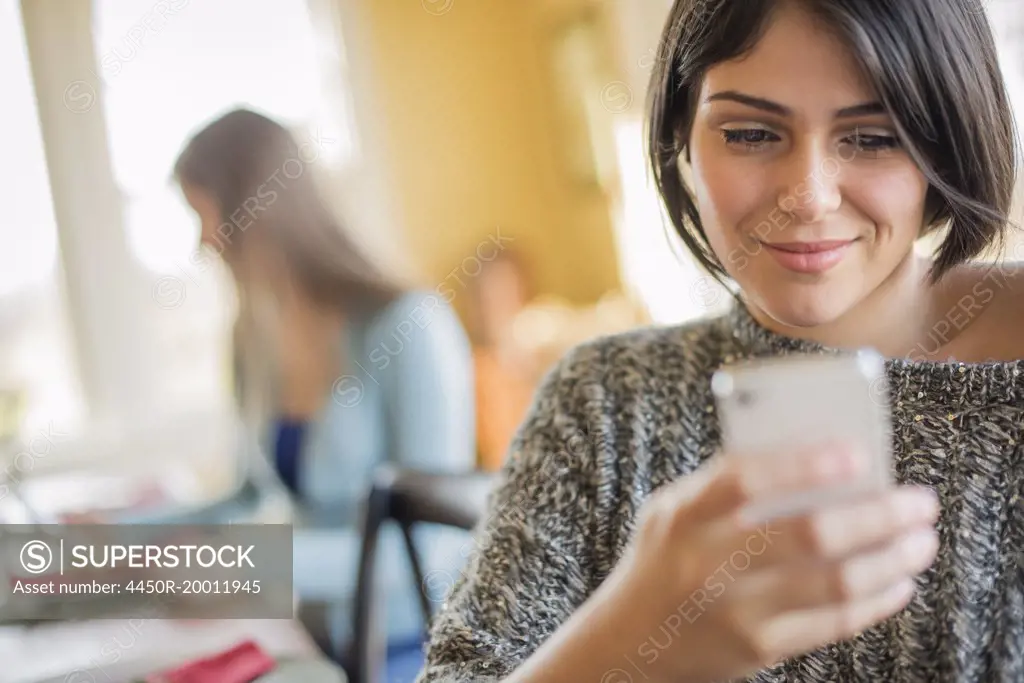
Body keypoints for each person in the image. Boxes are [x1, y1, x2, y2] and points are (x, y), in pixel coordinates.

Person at [417, 1, 1024, 681]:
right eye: (750, 133)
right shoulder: (602, 401)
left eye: (874, 137)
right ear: (681, 135)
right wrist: (625, 648)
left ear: (952, 139)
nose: (808, 196)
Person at [172, 108, 477, 654]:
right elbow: (245, 495)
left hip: (420, 644)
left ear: (256, 209)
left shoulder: (409, 325)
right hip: (313, 637)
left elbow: (428, 544)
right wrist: (115, 540)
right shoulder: (251, 338)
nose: (204, 244)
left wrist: (249, 565)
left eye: (206, 216)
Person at [466, 249, 544, 471]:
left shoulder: (549, 358)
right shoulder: (477, 371)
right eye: (484, 299)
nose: (492, 307)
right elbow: (498, 458)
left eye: (504, 295)